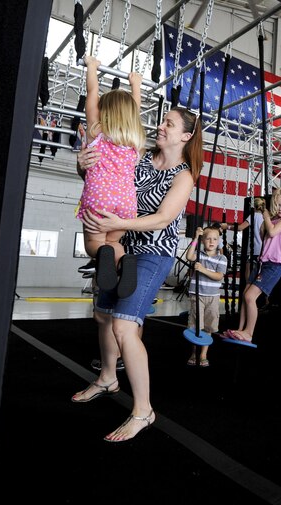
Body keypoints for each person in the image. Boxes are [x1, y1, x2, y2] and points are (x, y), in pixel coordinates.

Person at [71, 106, 203, 443]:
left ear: (185, 136)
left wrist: (117, 224)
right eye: (162, 121)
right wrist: (82, 165)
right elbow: (107, 177)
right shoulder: (140, 158)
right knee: (102, 316)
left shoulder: (184, 176)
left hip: (154, 253)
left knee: (124, 326)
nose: (160, 127)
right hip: (122, 248)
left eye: (168, 124)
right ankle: (107, 378)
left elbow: (162, 219)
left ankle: (143, 410)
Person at [76, 56, 146, 297]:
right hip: (126, 202)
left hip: (99, 197)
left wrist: (93, 67)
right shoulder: (134, 140)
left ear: (104, 112)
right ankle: (123, 260)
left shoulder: (97, 130)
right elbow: (134, 110)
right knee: (114, 243)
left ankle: (102, 255)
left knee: (94, 245)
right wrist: (135, 84)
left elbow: (92, 91)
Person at [225, 187, 281, 344]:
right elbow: (264, 235)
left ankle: (249, 333)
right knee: (245, 294)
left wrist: (264, 213)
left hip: (274, 265)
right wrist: (264, 218)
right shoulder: (273, 220)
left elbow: (272, 233)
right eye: (278, 204)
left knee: (250, 296)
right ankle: (240, 329)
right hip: (262, 263)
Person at [185, 226, 228, 367]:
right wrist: (196, 237)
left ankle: (203, 354)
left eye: (215, 239)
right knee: (196, 325)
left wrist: (203, 269)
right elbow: (188, 256)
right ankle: (193, 352)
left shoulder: (222, 258)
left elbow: (219, 276)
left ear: (218, 241)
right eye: (208, 238)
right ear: (203, 240)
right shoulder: (199, 255)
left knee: (208, 327)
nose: (211, 241)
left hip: (213, 297)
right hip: (197, 295)